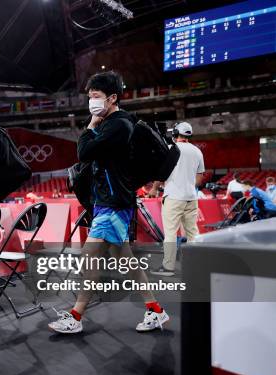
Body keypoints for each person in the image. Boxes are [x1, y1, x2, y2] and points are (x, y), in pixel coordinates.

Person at [48, 71, 168, 335]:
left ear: (112, 98)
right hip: (109, 202)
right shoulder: (111, 124)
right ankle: (156, 310)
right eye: (90, 97)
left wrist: (90, 126)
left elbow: (83, 153)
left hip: (114, 203)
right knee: (124, 260)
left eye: (96, 97)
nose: (91, 102)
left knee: (89, 259)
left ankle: (76, 315)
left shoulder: (118, 125)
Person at [156, 121, 204, 275]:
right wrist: (187, 184)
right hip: (191, 197)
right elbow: (199, 179)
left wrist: (154, 188)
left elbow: (161, 173)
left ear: (175, 134)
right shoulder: (197, 151)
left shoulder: (171, 149)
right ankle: (196, 264)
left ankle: (168, 267)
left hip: (174, 198)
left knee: (170, 233)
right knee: (192, 233)